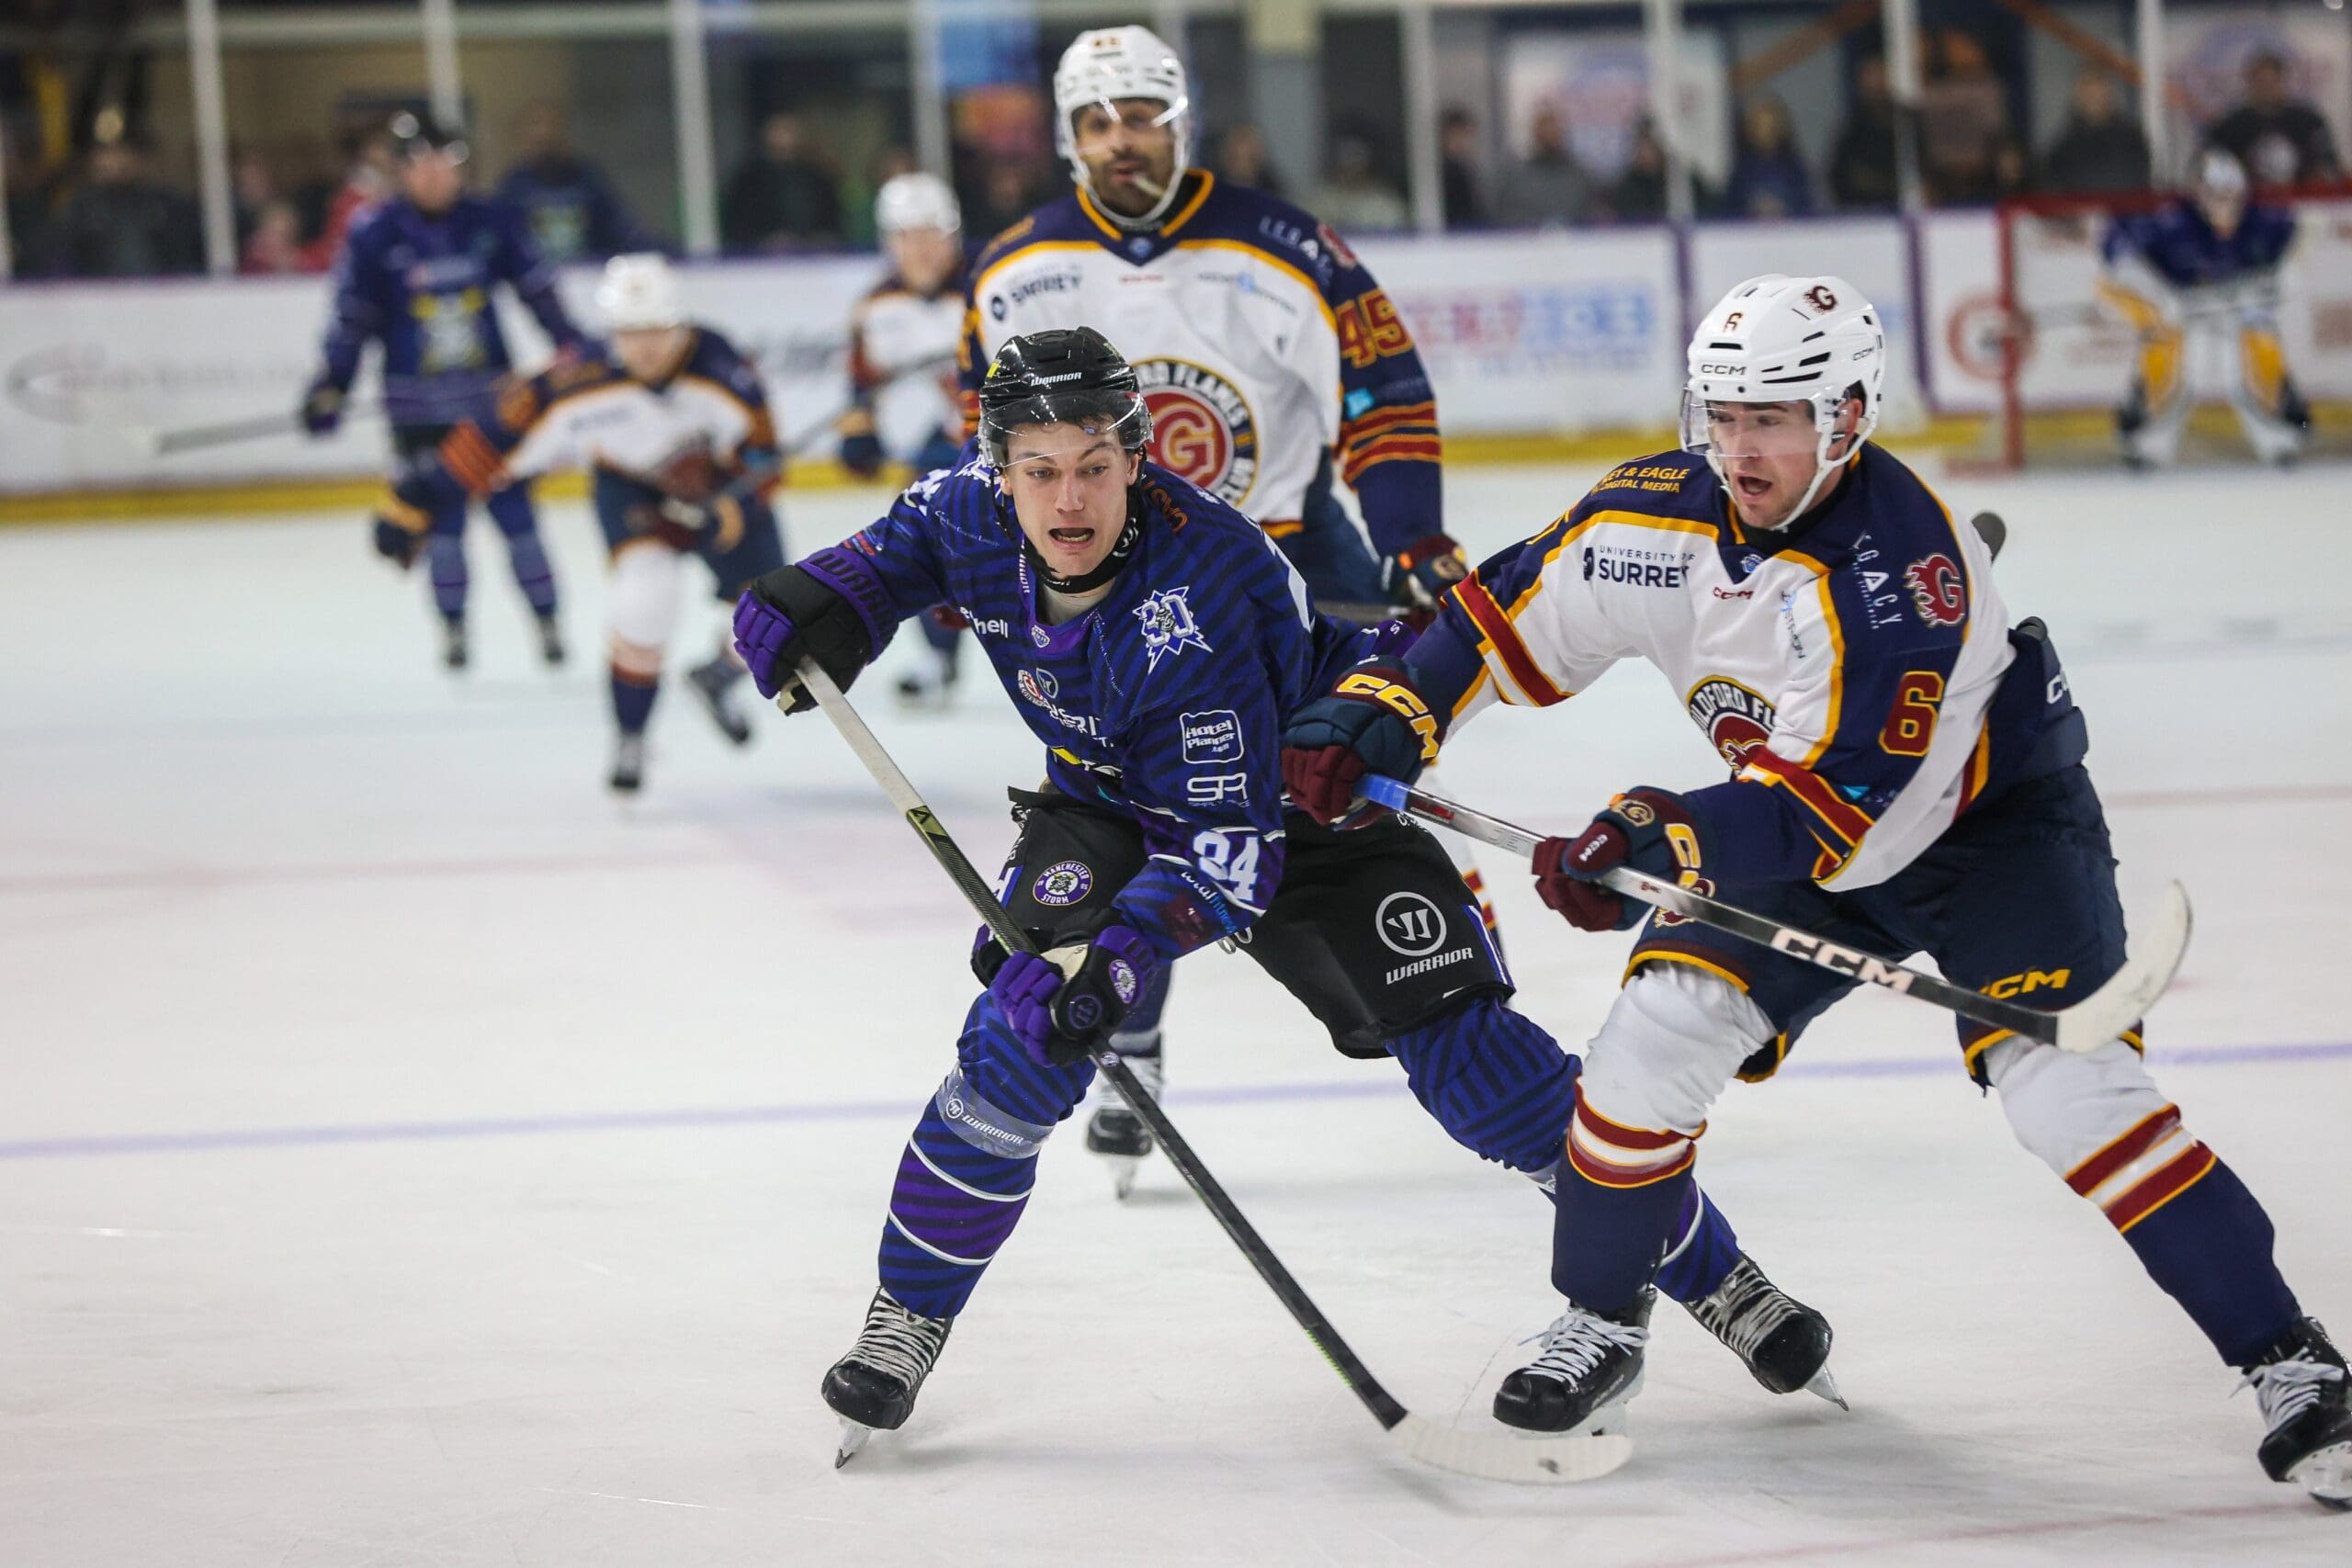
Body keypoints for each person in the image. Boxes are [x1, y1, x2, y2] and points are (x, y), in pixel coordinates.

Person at [1278, 273, 2352, 1504]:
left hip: (1990, 842)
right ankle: (1603, 1322)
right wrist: (1380, 713)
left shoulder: (1904, 574)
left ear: (1848, 414)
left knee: (2074, 1096)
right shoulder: (1656, 518)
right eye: (1726, 414)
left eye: (1775, 418)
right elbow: (1490, 613)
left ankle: (2293, 1359)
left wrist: (1652, 835)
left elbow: (1827, 801)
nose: (1743, 447)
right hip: (1801, 849)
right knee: (1648, 1044)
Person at [729, 327, 1840, 1462]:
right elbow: (891, 554)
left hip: (1305, 818)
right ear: (997, 465)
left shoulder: (1204, 585)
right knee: (1015, 1045)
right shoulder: (964, 506)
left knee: (1480, 1074)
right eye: (1040, 471)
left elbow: (1226, 858)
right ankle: (906, 1317)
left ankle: (1718, 1276)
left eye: (1095, 469)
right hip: (1107, 807)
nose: (1069, 501)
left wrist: (1113, 960)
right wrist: (821, 602)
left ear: (1137, 457)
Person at [957, 25, 1487, 1188]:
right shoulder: (1012, 270)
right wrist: (984, 566)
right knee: (1133, 808)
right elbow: (989, 447)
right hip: (1109, 588)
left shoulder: (1283, 245)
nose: (1121, 141)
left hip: (1279, 568)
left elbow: (1384, 389)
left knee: (1351, 788)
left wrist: (1409, 537)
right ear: (1067, 136)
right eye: (1098, 123)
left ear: (1177, 122)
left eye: (1141, 116)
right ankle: (1132, 1028)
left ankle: (1457, 998)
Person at [376, 255, 780, 793]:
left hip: (719, 493)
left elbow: (764, 455)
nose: (645, 347)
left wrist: (737, 501)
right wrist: (415, 501)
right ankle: (631, 736)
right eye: (631, 332)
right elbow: (489, 442)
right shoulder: (571, 380)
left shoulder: (722, 365)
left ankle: (720, 675)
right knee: (644, 603)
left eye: (657, 329)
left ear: (680, 324)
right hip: (631, 491)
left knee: (778, 618)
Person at [302, 114, 584, 671]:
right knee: (442, 530)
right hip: (420, 413)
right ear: (401, 171)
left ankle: (547, 621)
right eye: (421, 165)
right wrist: (331, 383)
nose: (435, 177)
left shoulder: (491, 222)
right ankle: (453, 629)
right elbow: (352, 320)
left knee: (519, 522)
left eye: (447, 165)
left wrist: (573, 347)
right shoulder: (374, 233)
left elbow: (540, 294)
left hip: (494, 410)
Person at [840, 171, 973, 711]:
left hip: (1025, 434)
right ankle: (938, 657)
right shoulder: (877, 306)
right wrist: (861, 429)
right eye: (905, 236)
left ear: (954, 234)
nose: (918, 248)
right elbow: (861, 380)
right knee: (919, 528)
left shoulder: (990, 283)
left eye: (930, 233)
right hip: (953, 435)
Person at [2099, 149, 2306, 468]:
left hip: (2237, 308)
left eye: (2232, 197)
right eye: (2215, 196)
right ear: (2198, 194)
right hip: (2180, 309)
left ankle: (2281, 435)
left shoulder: (2263, 220)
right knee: (2176, 354)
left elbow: (2302, 238)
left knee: (2255, 340)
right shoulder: (2170, 221)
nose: (2225, 206)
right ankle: (2147, 442)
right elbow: (2115, 253)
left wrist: (2284, 275)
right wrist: (2158, 296)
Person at [495, 100, 655, 264]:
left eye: (551, 131)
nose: (544, 134)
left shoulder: (589, 180)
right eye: (538, 138)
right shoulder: (514, 187)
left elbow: (625, 230)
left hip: (586, 277)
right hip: (535, 279)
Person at [38, 133, 201, 277]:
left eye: (122, 152)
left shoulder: (166, 202)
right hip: (99, 300)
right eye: (106, 152)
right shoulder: (81, 207)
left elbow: (186, 256)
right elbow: (61, 262)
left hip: (162, 298)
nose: (114, 160)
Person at [2206, 51, 2341, 192]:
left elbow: (2329, 166)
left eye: (2271, 81)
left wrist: (2317, 177)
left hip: (2302, 202)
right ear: (2250, 82)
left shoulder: (2309, 121)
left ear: (2282, 80)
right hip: (2248, 204)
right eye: (2260, 82)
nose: (2266, 88)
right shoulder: (2232, 125)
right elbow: (2211, 167)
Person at [720, 112, 843, 253]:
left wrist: (824, 237)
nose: (786, 142)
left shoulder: (817, 177)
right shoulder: (748, 181)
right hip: (762, 262)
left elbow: (834, 220)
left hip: (816, 258)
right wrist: (764, 240)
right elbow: (736, 225)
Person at [2036, 71, 2149, 195]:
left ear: (2110, 95)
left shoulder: (2131, 138)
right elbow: (2055, 189)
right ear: (2078, 96)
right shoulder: (2063, 147)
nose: (2095, 99)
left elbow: (2138, 181)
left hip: (2125, 211)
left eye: (2100, 93)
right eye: (2089, 94)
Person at [1828, 57, 1901, 211]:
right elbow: (1837, 174)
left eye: (1879, 74)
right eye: (1869, 76)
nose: (1875, 83)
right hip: (1861, 212)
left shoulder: (1905, 121)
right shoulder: (1854, 125)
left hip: (1899, 207)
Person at [1501, 106, 1593, 227]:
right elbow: (1507, 216)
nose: (1550, 136)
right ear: (1536, 134)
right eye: (1545, 132)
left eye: (1554, 131)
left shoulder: (1581, 177)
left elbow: (1591, 216)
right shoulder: (1516, 178)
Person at [1724, 96, 1814, 219]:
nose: (1765, 133)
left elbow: (1807, 206)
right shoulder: (1741, 172)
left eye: (1770, 127)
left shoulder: (1794, 169)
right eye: (1759, 126)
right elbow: (1729, 211)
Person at [1438, 107, 1486, 229]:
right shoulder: (1443, 176)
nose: (1463, 143)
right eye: (1458, 136)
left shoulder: (1466, 173)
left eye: (1467, 137)